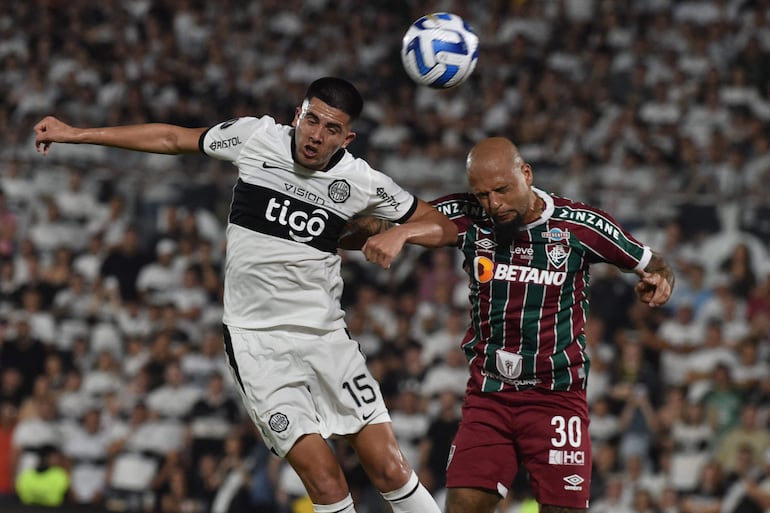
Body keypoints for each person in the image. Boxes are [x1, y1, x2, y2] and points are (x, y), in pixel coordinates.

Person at [33, 76, 456, 513]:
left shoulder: (362, 181)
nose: (316, 135)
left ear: (347, 138)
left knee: (389, 467)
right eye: (311, 120)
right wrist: (76, 134)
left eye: (331, 129)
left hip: (326, 338)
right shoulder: (256, 138)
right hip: (256, 343)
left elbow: (443, 227)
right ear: (298, 114)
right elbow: (172, 137)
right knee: (325, 481)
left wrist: (402, 233)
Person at [345, 136, 674, 512]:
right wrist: (347, 225)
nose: (493, 204)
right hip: (489, 395)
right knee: (464, 506)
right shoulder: (469, 214)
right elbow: (381, 225)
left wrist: (660, 282)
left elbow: (655, 263)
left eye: (501, 190)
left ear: (526, 174)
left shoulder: (581, 226)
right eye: (482, 194)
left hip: (556, 397)